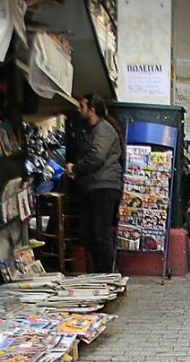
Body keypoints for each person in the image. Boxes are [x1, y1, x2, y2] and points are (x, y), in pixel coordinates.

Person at [65, 93, 123, 273]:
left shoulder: (103, 130)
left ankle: (107, 272)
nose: (79, 109)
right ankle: (100, 270)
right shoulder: (95, 130)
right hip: (95, 185)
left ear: (92, 109)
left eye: (82, 106)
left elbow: (96, 157)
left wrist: (76, 168)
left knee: (100, 232)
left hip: (104, 186)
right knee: (89, 232)